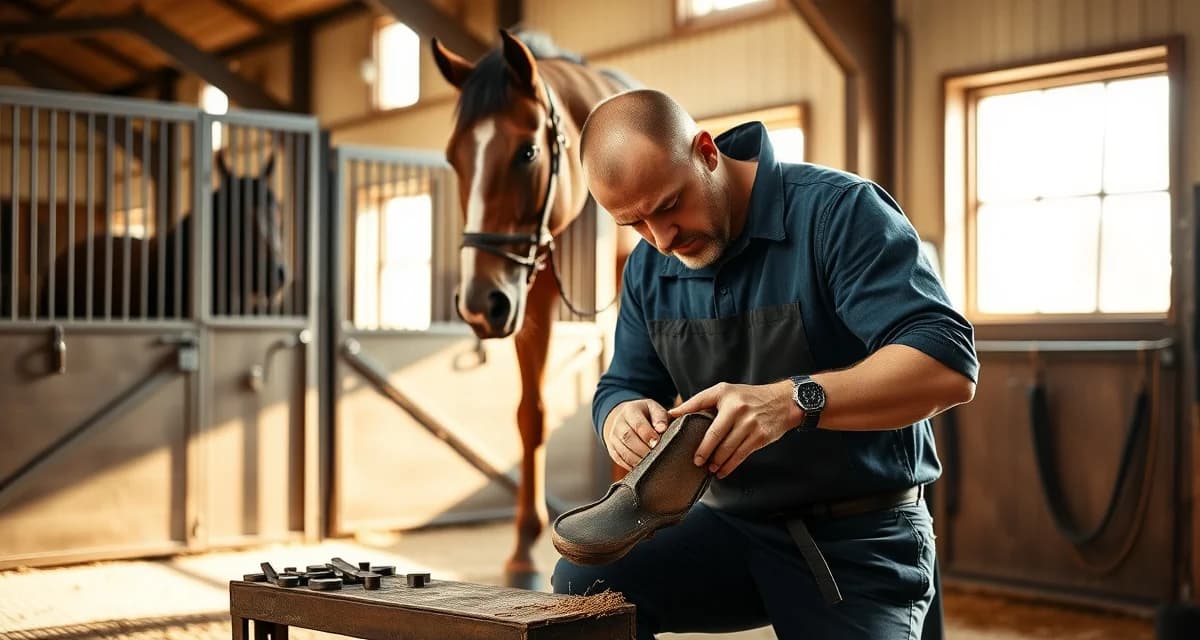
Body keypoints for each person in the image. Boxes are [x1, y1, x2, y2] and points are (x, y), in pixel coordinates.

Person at [551, 89, 978, 639]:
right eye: (635, 224)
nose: (661, 240)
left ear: (706, 151)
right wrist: (618, 416)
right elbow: (624, 382)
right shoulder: (649, 268)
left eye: (668, 206)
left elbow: (947, 362)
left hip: (857, 536)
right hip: (730, 524)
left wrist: (793, 401)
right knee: (579, 591)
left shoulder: (839, 213)